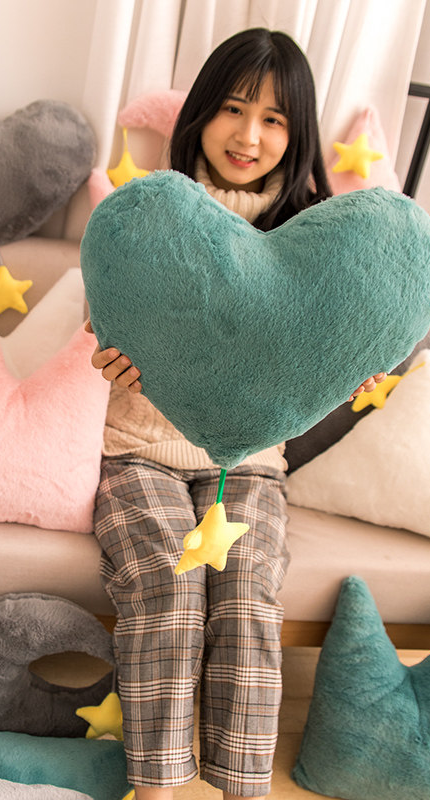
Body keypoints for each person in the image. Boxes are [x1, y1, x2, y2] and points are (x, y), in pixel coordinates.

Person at [85, 28, 385, 800]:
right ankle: (154, 789)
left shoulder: (320, 243)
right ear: (200, 114)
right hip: (140, 450)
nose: (249, 135)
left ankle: (240, 790)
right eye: (233, 108)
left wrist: (352, 365)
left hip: (250, 464)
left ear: (297, 132)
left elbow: (330, 351)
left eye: (274, 119)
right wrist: (108, 358)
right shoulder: (148, 216)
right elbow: (107, 320)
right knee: (167, 579)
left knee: (248, 590)